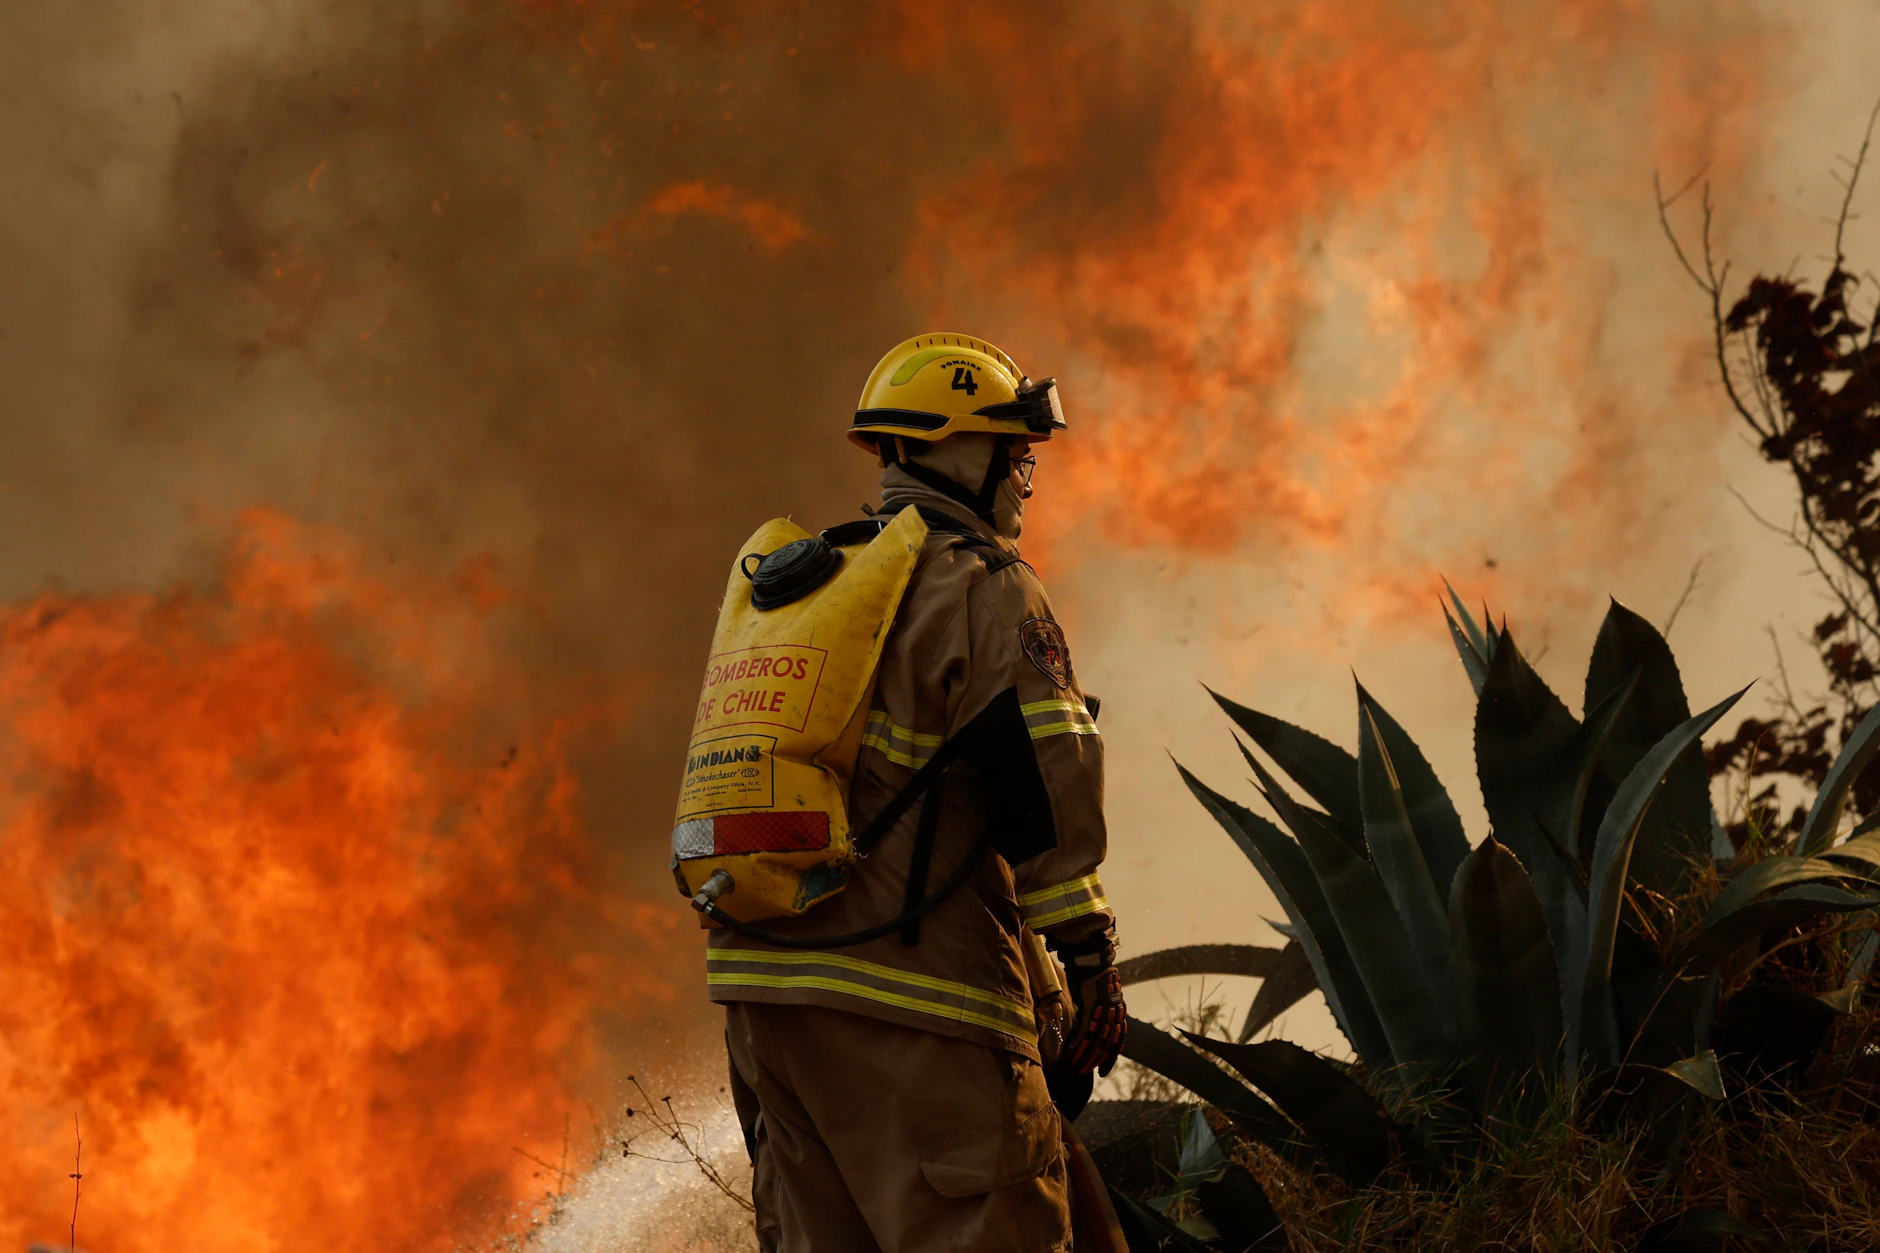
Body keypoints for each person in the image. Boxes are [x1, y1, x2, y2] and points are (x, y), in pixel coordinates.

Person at [709, 334, 1127, 1252]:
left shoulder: (808, 585)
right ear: (951, 447)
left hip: (764, 1002)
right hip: (913, 1005)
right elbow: (1049, 783)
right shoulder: (984, 587)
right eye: (1015, 452)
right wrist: (1090, 956)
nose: (1026, 477)